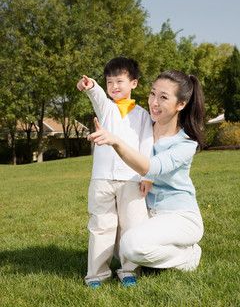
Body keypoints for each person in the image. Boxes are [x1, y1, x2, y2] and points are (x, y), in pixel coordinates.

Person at [88, 69, 205, 274]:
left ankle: (188, 254)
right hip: (147, 213)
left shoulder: (185, 143)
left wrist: (115, 141)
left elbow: (151, 168)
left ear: (181, 104)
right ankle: (160, 250)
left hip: (180, 216)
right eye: (152, 94)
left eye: (163, 97)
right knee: (117, 250)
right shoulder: (143, 127)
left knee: (131, 246)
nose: (154, 102)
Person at [77, 57, 153, 288]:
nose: (114, 87)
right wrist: (91, 86)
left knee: (132, 225)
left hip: (131, 179)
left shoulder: (143, 115)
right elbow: (97, 95)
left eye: (120, 81)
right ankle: (96, 275)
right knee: (101, 226)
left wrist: (147, 176)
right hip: (101, 179)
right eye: (110, 82)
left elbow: (147, 145)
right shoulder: (106, 108)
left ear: (134, 83)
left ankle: (129, 270)